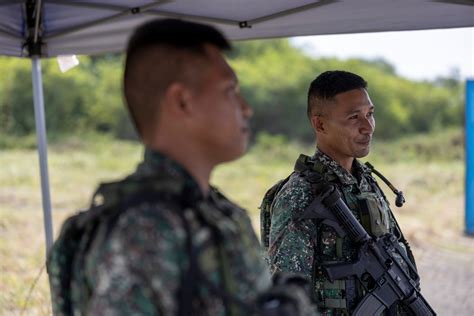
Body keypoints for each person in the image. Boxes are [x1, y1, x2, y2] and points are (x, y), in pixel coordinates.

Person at [47, 19, 316, 315]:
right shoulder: (146, 229)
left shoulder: (210, 210)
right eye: (229, 90)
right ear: (182, 101)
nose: (245, 107)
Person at [261, 70, 418, 315]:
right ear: (320, 124)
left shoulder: (366, 181)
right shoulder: (300, 194)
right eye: (354, 117)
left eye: (370, 114)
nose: (368, 127)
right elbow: (288, 295)